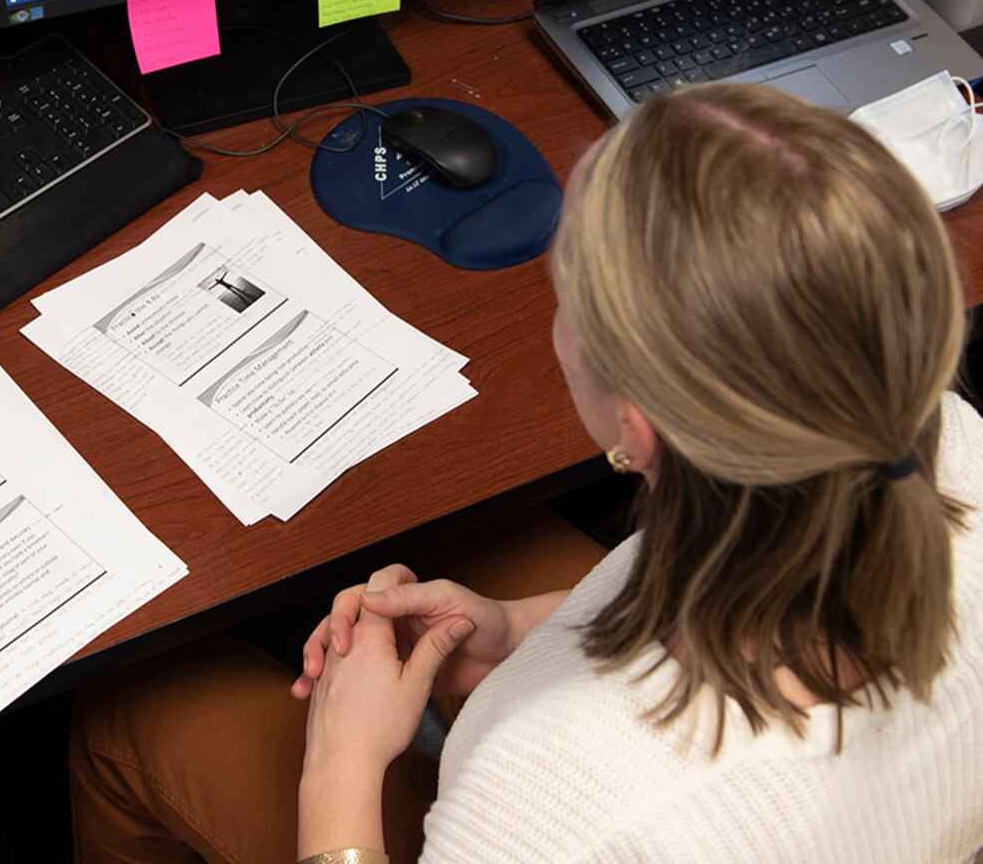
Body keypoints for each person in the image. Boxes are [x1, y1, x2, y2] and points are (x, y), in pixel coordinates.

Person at [68, 83, 983, 863]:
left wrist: (341, 771)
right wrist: (510, 630)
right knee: (489, 538)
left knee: (130, 708)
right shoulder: (925, 436)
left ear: (637, 427)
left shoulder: (558, 799)